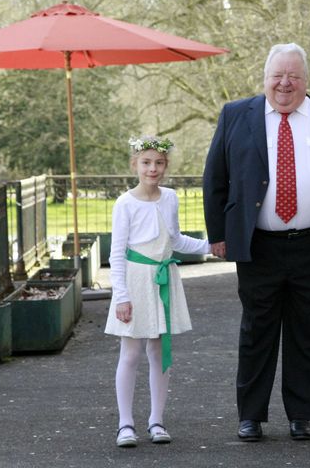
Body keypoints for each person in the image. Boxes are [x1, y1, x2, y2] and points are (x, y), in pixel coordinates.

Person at [203, 42, 310, 441]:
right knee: (257, 331)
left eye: (293, 76)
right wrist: (219, 236)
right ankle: (251, 415)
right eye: (277, 75)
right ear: (265, 79)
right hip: (259, 246)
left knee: (308, 332)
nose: (285, 83)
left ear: (305, 80)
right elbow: (215, 178)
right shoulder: (235, 115)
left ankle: (301, 414)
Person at [105, 135, 211, 448]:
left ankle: (156, 421)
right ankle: (126, 424)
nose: (153, 169)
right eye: (146, 163)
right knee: (132, 352)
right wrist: (121, 296)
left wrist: (209, 246)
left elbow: (175, 240)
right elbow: (117, 253)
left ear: (166, 166)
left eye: (159, 163)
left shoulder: (170, 198)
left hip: (163, 280)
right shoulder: (125, 203)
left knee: (159, 352)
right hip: (136, 282)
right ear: (134, 165)